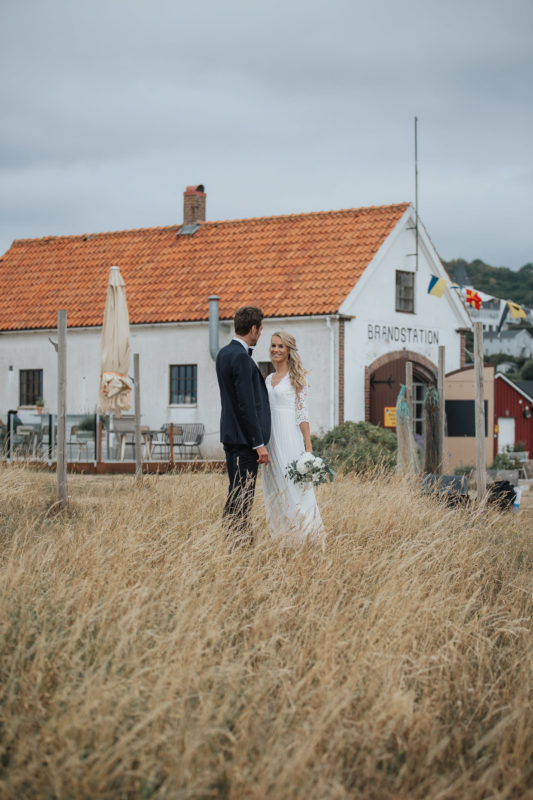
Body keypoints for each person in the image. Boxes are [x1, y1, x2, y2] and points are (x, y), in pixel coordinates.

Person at [262, 331, 325, 545]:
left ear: (289, 350)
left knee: (294, 486)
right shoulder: (268, 379)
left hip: (289, 436)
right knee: (274, 486)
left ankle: (306, 535)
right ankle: (281, 538)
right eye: (273, 345)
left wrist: (308, 447)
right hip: (270, 437)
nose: (276, 350)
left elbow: (302, 414)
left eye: (281, 346)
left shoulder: (296, 377)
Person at [216, 307, 271, 545]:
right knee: (243, 494)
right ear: (253, 329)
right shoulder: (240, 357)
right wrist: (258, 443)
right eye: (260, 330)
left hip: (232, 436)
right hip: (243, 440)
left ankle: (236, 539)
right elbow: (245, 405)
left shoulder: (223, 353)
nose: (260, 334)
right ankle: (238, 542)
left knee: (237, 490)